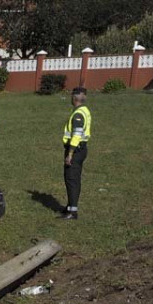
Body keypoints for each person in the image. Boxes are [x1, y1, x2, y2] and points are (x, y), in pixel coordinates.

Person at [59, 87, 92, 220]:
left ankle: (72, 211)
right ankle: (70, 206)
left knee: (72, 180)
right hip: (82, 149)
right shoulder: (85, 110)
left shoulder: (78, 114)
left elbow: (77, 134)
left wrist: (70, 153)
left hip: (76, 150)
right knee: (74, 179)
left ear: (74, 98)